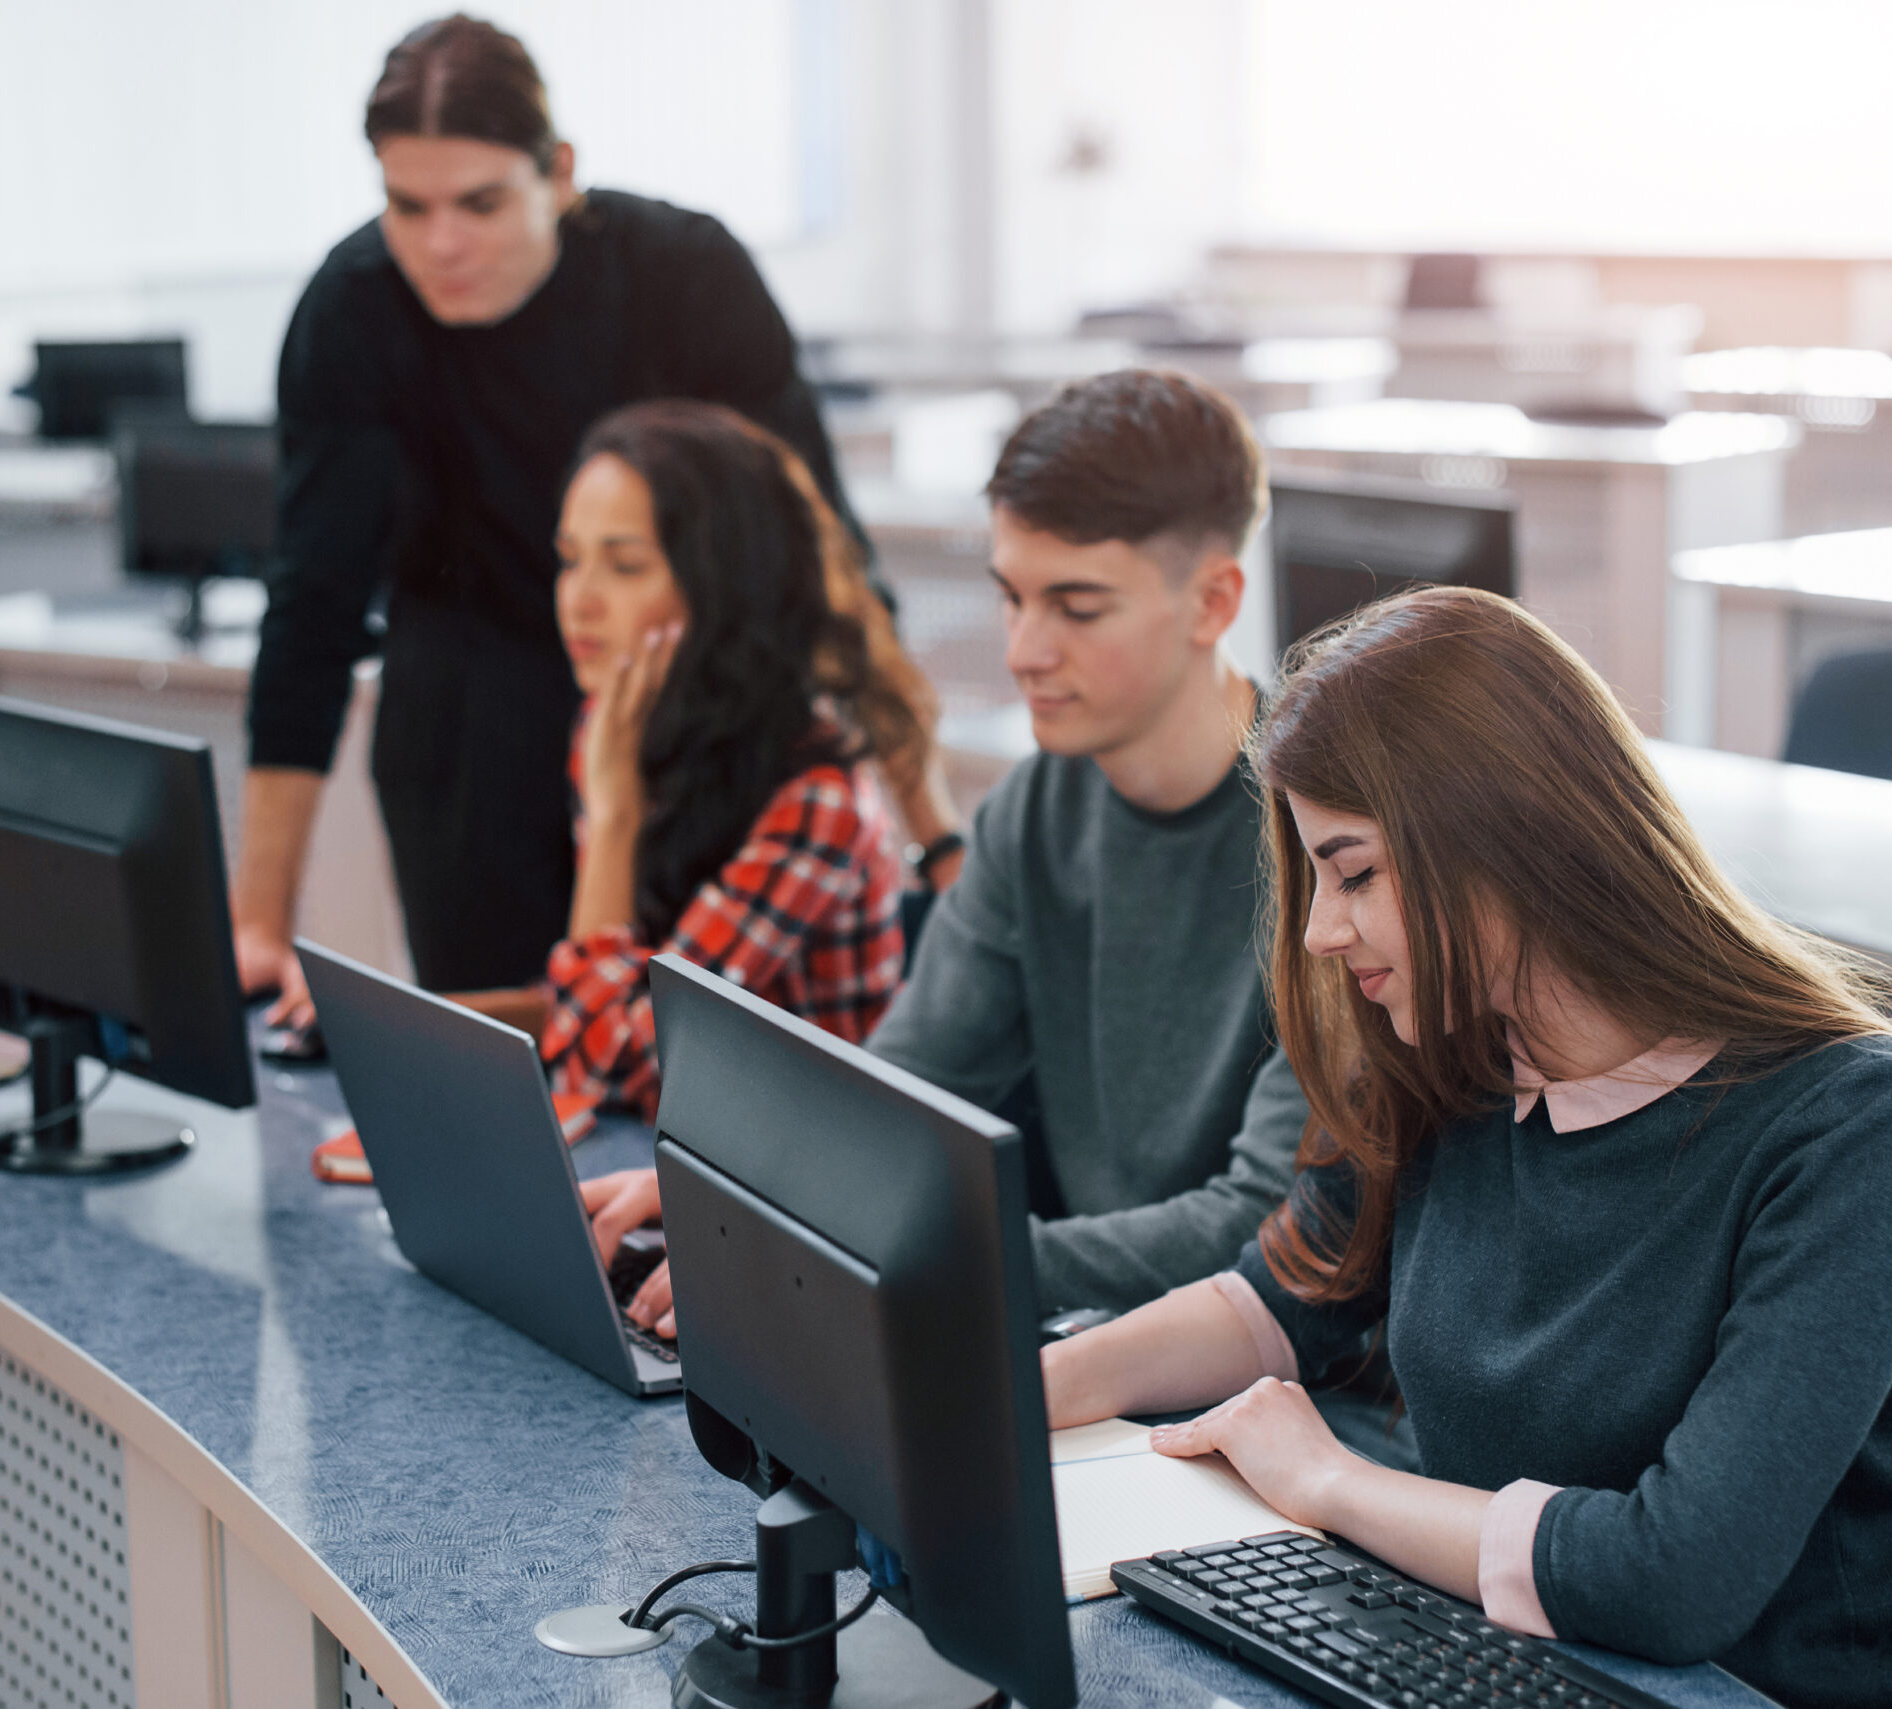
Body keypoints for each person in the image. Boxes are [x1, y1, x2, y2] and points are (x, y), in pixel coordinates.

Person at [1041, 587, 1892, 1706]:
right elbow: (1281, 1295)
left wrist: (1329, 1479)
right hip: (1543, 1665)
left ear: (1505, 837)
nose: (1322, 928)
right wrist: (1036, 1389)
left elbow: (1676, 1574)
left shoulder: (1850, 1118)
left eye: (1355, 871)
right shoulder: (1450, 1057)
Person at [232, 15, 960, 1021]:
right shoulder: (352, 310)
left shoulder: (684, 274)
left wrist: (934, 833)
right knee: (505, 1071)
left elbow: (820, 542)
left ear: (559, 172)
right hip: (469, 709)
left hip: (697, 701)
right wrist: (257, 926)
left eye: (480, 203)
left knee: (675, 1045)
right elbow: (309, 612)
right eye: (409, 205)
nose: (441, 243)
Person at [584, 369, 1310, 1347]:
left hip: (1260, 1378)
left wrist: (922, 1253)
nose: (1022, 650)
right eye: (1011, 597)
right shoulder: (1033, 810)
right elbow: (907, 1090)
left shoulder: (1323, 847)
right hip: (1086, 1337)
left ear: (1213, 599)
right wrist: (735, 1186)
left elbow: (1261, 1227)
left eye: (1076, 607)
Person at [535, 400, 906, 1116]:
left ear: (719, 585)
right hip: (682, 1152)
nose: (578, 602)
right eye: (570, 559)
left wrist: (612, 820)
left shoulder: (818, 798)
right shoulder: (621, 726)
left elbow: (608, 1064)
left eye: (624, 565)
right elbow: (602, 1008)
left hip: (799, 1197)